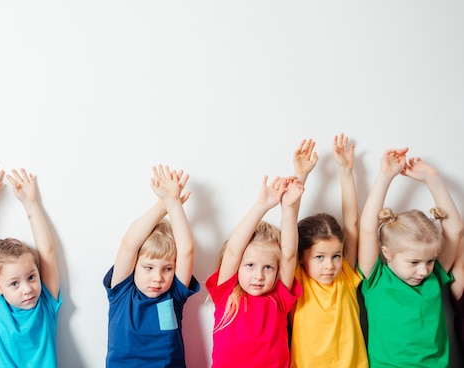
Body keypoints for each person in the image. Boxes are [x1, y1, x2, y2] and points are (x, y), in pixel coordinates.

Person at [358, 149, 464, 367]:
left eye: (429, 260)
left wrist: (433, 179)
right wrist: (385, 175)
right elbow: (368, 229)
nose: (423, 270)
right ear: (387, 253)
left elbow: (455, 230)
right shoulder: (376, 279)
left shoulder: (434, 277)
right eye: (414, 262)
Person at [103, 165, 199, 367]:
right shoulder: (121, 292)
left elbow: (186, 250)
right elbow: (130, 243)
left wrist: (174, 204)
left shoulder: (174, 295)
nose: (158, 277)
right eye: (148, 268)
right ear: (134, 265)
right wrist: (163, 204)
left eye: (167, 269)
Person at [206, 175, 304, 368]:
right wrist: (261, 205)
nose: (258, 276)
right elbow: (233, 250)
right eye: (250, 265)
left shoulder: (279, 298)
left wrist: (288, 208)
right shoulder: (226, 294)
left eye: (268, 267)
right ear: (239, 267)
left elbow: (290, 255)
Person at [289, 134, 368, 367]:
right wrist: (300, 175)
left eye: (336, 256)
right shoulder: (298, 280)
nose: (330, 265)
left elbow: (351, 225)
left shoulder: (345, 274)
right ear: (302, 257)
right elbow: (289, 236)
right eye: (319, 257)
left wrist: (346, 171)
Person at [0, 166, 61, 367]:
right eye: (14, 284)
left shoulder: (46, 302)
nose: (28, 289)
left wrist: (31, 204)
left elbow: (47, 252)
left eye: (31, 277)